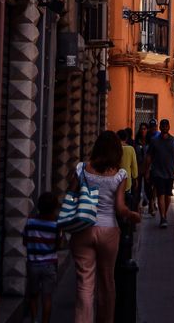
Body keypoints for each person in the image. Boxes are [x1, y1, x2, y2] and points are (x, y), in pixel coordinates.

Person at [68, 130, 141, 323]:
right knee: (107, 281)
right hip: (108, 229)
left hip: (83, 228)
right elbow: (119, 207)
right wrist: (132, 215)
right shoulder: (119, 175)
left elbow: (71, 195)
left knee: (84, 283)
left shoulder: (82, 169)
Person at [22, 191, 60, 323]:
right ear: (54, 208)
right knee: (47, 297)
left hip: (33, 264)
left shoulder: (30, 223)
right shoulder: (56, 226)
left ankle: (34, 320)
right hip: (49, 265)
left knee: (33, 295)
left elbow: (25, 242)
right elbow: (58, 245)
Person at [146, 117, 174, 229]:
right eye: (163, 126)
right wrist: (147, 170)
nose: (165, 127)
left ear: (169, 127)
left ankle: (164, 214)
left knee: (168, 195)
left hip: (170, 172)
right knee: (160, 194)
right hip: (157, 172)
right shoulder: (154, 141)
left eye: (166, 126)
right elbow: (149, 156)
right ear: (160, 127)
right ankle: (162, 217)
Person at [134, 122, 151, 210]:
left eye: (144, 129)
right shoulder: (136, 142)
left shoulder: (150, 141)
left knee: (148, 188)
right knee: (138, 187)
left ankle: (150, 205)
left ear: (147, 130)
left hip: (148, 168)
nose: (143, 130)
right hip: (138, 168)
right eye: (141, 129)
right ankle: (138, 206)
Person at [117, 128, 138, 197]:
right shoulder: (131, 149)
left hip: (115, 179)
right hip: (127, 181)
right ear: (126, 138)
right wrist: (135, 178)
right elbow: (134, 166)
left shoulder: (114, 148)